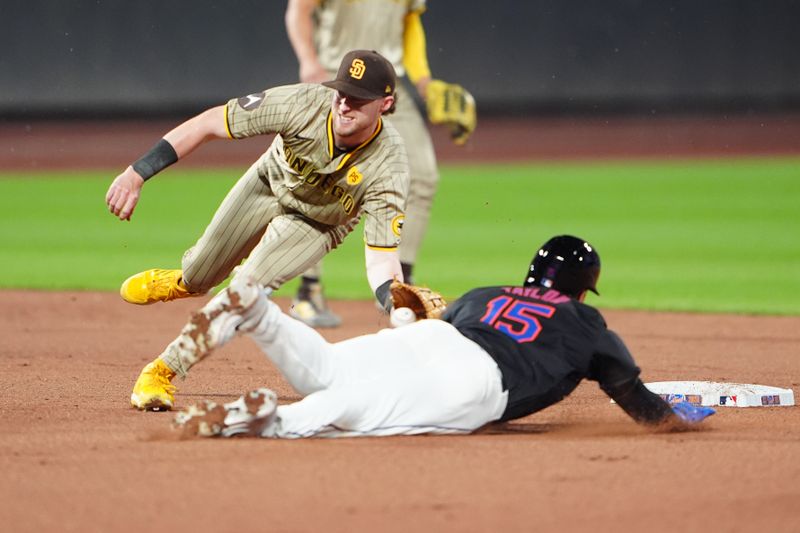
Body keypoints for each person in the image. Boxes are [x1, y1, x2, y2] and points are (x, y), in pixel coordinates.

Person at [170, 235, 716, 438]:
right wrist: (674, 418)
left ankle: (261, 314)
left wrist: (407, 323)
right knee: (361, 412)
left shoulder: (481, 293)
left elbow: (432, 329)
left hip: (430, 337)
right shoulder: (585, 323)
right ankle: (268, 420)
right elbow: (635, 398)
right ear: (582, 289)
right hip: (477, 381)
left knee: (331, 368)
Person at [105, 49, 410, 411]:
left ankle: (164, 370)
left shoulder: (390, 166)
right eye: (341, 93)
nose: (343, 105)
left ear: (385, 103)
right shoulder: (302, 103)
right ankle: (185, 282)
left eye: (357, 100)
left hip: (316, 224)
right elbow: (209, 123)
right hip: (267, 183)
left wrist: (398, 303)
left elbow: (381, 260)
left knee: (243, 291)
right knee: (201, 273)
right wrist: (137, 172)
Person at [283, 0, 474, 327]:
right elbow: (299, 10)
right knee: (318, 183)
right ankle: (308, 292)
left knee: (423, 177)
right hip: (336, 78)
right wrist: (308, 61)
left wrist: (424, 79)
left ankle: (399, 290)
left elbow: (410, 21)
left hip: (389, 85)